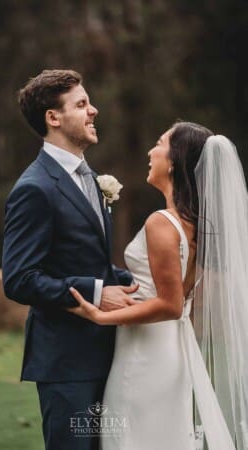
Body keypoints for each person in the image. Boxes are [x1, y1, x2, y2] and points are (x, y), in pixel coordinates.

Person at [69, 122, 248, 449]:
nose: (151, 152)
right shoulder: (196, 227)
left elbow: (171, 304)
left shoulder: (162, 223)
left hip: (145, 354)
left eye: (159, 143)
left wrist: (100, 316)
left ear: (175, 160)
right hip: (171, 350)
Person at [2, 69, 138, 450]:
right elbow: (19, 279)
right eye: (81, 104)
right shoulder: (34, 189)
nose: (94, 110)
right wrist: (97, 292)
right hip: (66, 364)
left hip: (107, 353)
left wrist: (139, 279)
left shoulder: (89, 178)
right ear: (53, 117)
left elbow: (86, 260)